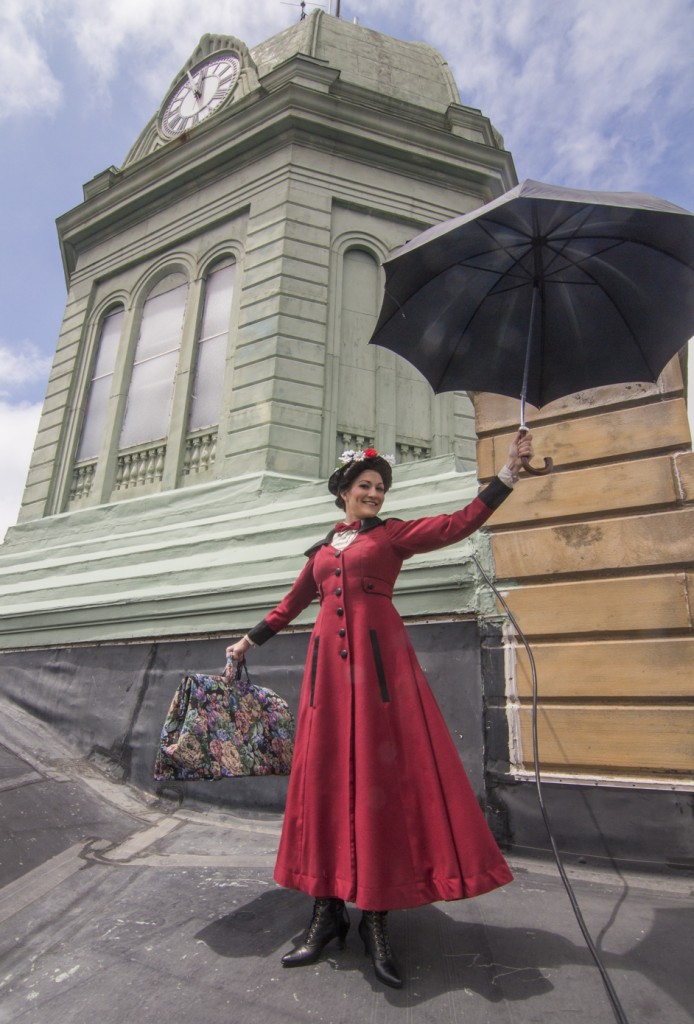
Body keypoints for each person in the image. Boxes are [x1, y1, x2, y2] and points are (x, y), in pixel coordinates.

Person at [228, 431, 533, 989]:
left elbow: (457, 523)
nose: (373, 493)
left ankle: (376, 919)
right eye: (364, 486)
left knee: (380, 785)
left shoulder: (392, 537)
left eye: (379, 487)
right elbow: (291, 604)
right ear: (343, 492)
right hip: (326, 684)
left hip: (379, 678)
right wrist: (248, 642)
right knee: (323, 784)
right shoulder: (321, 550)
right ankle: (325, 914)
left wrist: (506, 477)